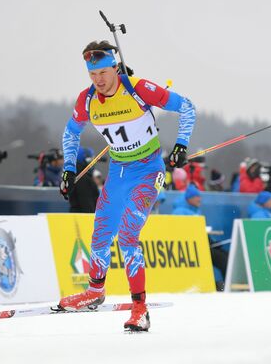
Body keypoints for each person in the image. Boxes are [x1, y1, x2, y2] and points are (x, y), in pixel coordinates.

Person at [58, 40, 196, 331]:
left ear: (113, 66)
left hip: (147, 171)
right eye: (92, 74)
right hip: (119, 172)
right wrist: (69, 169)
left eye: (103, 72)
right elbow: (70, 133)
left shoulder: (137, 88)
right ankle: (94, 292)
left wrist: (181, 144)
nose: (98, 79)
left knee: (128, 236)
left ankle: (140, 309)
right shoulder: (86, 100)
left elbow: (187, 107)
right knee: (100, 233)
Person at [68, 147, 100, 213]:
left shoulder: (76, 175)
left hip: (78, 217)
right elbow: (86, 203)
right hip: (82, 219)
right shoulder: (82, 178)